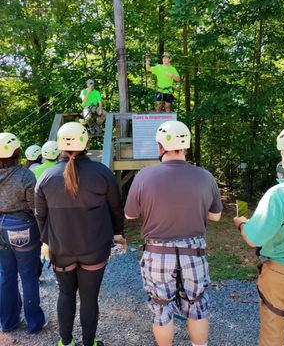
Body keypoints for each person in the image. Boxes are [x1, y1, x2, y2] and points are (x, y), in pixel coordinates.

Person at [124, 120, 222, 346]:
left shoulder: (144, 176)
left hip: (157, 253)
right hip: (194, 252)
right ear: (185, 146)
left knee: (160, 307)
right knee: (197, 304)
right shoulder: (205, 176)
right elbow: (215, 216)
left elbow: (130, 215)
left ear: (160, 147)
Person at [34, 122, 125, 346]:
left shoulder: (46, 177)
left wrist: (46, 241)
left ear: (60, 146)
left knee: (65, 294)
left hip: (61, 249)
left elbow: (40, 215)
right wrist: (118, 234)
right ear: (86, 143)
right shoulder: (102, 173)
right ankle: (89, 343)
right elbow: (116, 209)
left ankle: (65, 343)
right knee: (89, 297)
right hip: (94, 249)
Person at [234, 124, 284, 346]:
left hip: (282, 272)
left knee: (274, 328)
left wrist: (242, 223)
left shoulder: (280, 193)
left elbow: (254, 238)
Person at [0, 132, 46, 333]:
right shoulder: (25, 175)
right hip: (22, 227)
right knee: (28, 276)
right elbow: (35, 207)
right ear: (17, 151)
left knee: (6, 276)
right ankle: (34, 323)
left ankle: (8, 322)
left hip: (0, 228)